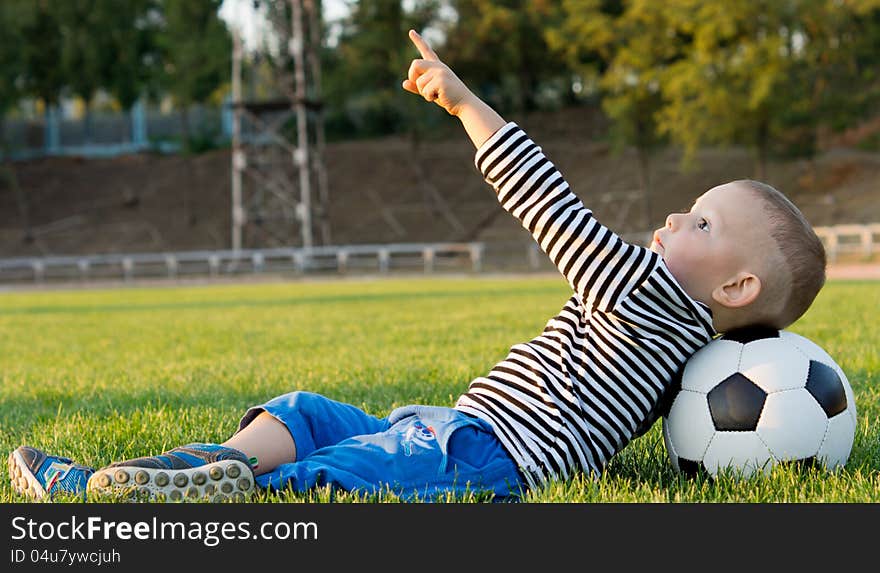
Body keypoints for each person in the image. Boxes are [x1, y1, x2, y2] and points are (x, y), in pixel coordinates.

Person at [7, 30, 826, 503]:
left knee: (338, 468)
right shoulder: (688, 340)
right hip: (449, 427)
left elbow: (546, 203)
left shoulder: (646, 291)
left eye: (704, 219)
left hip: (482, 454)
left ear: (735, 286)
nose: (677, 215)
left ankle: (201, 491)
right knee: (312, 413)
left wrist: (467, 104)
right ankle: (188, 472)